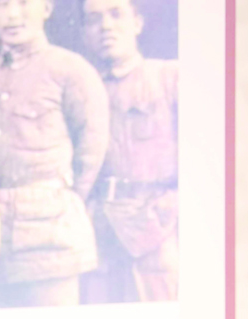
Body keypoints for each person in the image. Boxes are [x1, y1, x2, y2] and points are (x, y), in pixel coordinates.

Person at [0, 0, 110, 308]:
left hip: (51, 237)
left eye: (24, 3)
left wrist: (60, 199)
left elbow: (91, 151)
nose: (13, 14)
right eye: (2, 5)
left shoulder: (71, 70)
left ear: (47, 8)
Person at [81, 0, 181, 303]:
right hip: (100, 233)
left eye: (116, 14)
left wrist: (171, 206)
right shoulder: (83, 89)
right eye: (94, 19)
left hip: (157, 229)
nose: (106, 26)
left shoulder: (169, 77)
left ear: (137, 23)